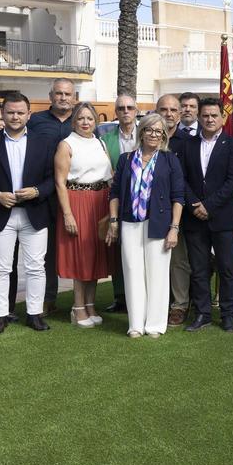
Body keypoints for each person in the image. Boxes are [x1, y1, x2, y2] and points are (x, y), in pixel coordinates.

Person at [0, 93, 56, 334]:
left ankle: (34, 314)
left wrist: (37, 191)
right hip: (0, 213)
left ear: (29, 115)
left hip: (34, 213)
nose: (15, 117)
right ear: (3, 114)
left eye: (20, 112)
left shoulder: (43, 142)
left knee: (36, 267)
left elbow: (53, 179)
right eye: (10, 112)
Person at [106, 113, 185, 338]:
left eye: (158, 131)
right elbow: (114, 193)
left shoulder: (170, 160)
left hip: (159, 223)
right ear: (142, 133)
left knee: (157, 273)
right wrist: (113, 221)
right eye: (149, 130)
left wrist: (174, 228)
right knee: (132, 271)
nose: (154, 134)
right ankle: (136, 324)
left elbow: (178, 197)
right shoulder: (126, 159)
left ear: (163, 136)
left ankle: (155, 324)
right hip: (130, 222)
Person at [174, 98, 233, 333]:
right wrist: (195, 204)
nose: (210, 119)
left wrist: (209, 206)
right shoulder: (187, 145)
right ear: (199, 117)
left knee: (226, 268)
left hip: (222, 218)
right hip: (194, 218)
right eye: (205, 115)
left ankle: (227, 315)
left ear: (222, 118)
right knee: (199, 268)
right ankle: (202, 314)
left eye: (214, 115)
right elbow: (180, 178)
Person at [54, 102, 114, 329]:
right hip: (77, 201)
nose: (86, 123)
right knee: (81, 256)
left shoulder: (99, 142)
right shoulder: (66, 144)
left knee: (96, 255)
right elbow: (60, 182)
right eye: (81, 119)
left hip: (100, 201)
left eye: (90, 119)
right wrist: (68, 214)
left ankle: (90, 305)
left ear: (95, 121)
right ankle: (77, 308)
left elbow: (109, 175)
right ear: (74, 121)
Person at [29, 78, 77, 314]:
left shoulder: (82, 121)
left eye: (67, 94)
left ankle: (82, 300)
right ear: (50, 96)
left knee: (75, 244)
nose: (63, 98)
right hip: (44, 192)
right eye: (58, 93)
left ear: (74, 97)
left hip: (75, 193)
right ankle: (47, 298)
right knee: (44, 249)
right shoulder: (36, 121)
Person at [98, 93, 140, 313]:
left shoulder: (146, 133)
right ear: (116, 111)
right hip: (116, 199)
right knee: (118, 249)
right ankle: (121, 296)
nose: (125, 111)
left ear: (136, 110)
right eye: (121, 108)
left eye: (129, 107)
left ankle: (141, 295)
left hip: (143, 199)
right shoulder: (105, 138)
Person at [155, 93, 195, 326]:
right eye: (164, 110)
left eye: (173, 110)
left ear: (179, 114)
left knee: (179, 260)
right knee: (153, 257)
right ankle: (156, 303)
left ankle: (179, 305)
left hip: (179, 210)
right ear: (156, 112)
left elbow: (190, 178)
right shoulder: (147, 139)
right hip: (150, 211)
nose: (168, 114)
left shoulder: (188, 142)